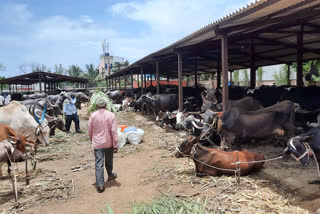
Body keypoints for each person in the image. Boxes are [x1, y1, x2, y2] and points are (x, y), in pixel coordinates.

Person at [88, 97, 118, 193]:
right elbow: (114, 131)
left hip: (97, 143)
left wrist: (91, 139)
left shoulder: (93, 115)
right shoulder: (111, 115)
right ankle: (110, 175)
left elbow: (90, 130)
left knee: (99, 163)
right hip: (108, 142)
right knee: (109, 160)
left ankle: (100, 185)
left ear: (96, 105)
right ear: (105, 105)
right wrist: (115, 143)